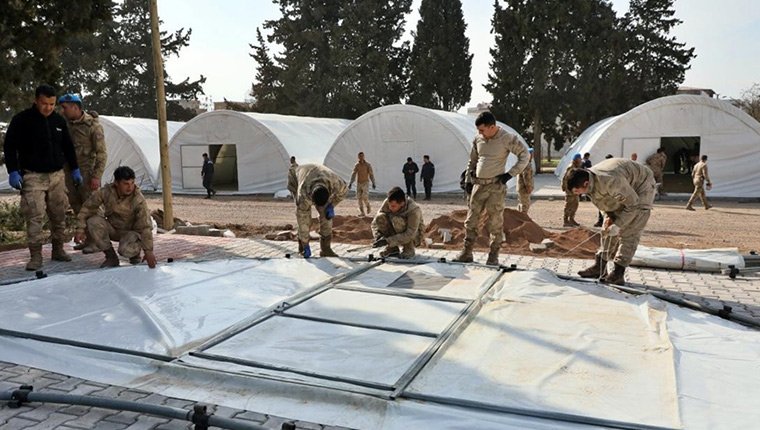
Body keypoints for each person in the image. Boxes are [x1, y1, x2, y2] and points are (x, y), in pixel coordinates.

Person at [3, 84, 81, 271]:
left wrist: (75, 169)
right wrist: (13, 171)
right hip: (33, 176)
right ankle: (36, 256)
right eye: (44, 103)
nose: (48, 107)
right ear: (36, 101)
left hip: (56, 176)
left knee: (59, 214)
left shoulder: (59, 121)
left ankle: (58, 249)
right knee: (35, 216)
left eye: (52, 104)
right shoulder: (22, 120)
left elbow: (68, 147)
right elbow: (9, 147)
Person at [454, 112, 530, 265]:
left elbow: (525, 155)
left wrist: (510, 174)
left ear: (492, 127)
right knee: (471, 220)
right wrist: (469, 180)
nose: (479, 133)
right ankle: (467, 253)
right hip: (478, 185)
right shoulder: (478, 139)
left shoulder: (506, 138)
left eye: (482, 130)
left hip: (496, 187)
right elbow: (472, 161)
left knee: (495, 222)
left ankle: (493, 255)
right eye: (478, 130)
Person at [568, 158, 656, 285]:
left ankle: (618, 273)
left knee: (630, 231)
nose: (577, 195)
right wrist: (609, 217)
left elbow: (633, 205)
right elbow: (603, 204)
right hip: (624, 186)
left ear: (585, 184)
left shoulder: (610, 180)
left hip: (641, 186)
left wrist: (619, 225)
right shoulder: (591, 182)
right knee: (608, 229)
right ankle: (599, 267)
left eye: (577, 191)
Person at [74, 166, 157, 269]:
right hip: (114, 229)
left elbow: (145, 226)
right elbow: (87, 209)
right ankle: (111, 257)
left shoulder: (138, 199)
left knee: (124, 250)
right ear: (116, 183)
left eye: (132, 183)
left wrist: (148, 251)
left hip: (131, 233)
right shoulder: (106, 192)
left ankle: (135, 254)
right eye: (125, 184)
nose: (130, 187)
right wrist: (80, 229)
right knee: (93, 222)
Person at [58, 94, 108, 251]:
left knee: (92, 207)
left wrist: (96, 176)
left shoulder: (92, 126)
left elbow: (102, 154)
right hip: (70, 172)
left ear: (75, 107)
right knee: (77, 206)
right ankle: (88, 238)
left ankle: (98, 242)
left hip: (87, 174)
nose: (62, 111)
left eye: (65, 107)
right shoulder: (65, 124)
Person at [288, 163, 348, 258]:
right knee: (305, 220)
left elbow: (344, 192)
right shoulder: (303, 194)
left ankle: (326, 249)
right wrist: (305, 244)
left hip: (320, 176)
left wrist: (332, 205)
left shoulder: (335, 182)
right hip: (296, 178)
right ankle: (302, 248)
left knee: (327, 217)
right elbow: (302, 220)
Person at [371, 186, 425, 259]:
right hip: (396, 233)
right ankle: (392, 249)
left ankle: (408, 249)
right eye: (389, 205)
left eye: (393, 206)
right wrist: (378, 236)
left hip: (415, 236)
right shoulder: (388, 202)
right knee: (380, 217)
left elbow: (411, 233)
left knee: (397, 220)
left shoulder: (413, 210)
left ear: (402, 203)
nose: (390, 208)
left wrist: (388, 241)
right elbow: (375, 222)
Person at [348, 152, 376, 216]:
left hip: (365, 182)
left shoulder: (368, 165)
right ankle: (362, 212)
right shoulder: (357, 165)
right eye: (360, 156)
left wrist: (373, 182)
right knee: (359, 198)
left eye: (362, 156)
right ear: (358, 157)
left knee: (364, 197)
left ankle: (368, 206)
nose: (361, 157)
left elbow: (371, 174)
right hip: (359, 183)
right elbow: (354, 174)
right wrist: (350, 183)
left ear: (364, 157)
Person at [561, 153, 583, 227]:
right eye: (579, 159)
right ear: (576, 159)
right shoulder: (571, 167)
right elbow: (565, 179)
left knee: (575, 204)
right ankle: (565, 220)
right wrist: (565, 188)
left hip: (575, 189)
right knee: (569, 205)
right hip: (570, 190)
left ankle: (572, 219)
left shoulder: (577, 167)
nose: (581, 161)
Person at [594, 154, 615, 227]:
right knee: (602, 206)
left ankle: (609, 222)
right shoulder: (602, 167)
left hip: (610, 190)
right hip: (604, 189)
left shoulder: (614, 168)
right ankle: (601, 221)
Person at [516, 148, 534, 213]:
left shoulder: (522, 163)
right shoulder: (527, 165)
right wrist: (528, 187)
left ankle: (519, 218)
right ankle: (523, 218)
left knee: (521, 203)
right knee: (525, 205)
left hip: (520, 188)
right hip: (524, 188)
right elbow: (527, 177)